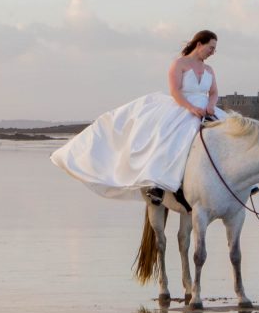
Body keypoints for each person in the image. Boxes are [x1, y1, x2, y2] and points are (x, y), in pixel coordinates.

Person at [51, 30, 226, 205]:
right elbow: (175, 91)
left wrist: (210, 106)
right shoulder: (179, 64)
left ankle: (237, 184)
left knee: (231, 137)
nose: (213, 52)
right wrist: (191, 108)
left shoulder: (209, 69)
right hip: (183, 107)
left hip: (207, 110)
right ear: (199, 44)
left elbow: (214, 92)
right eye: (211, 48)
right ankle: (159, 184)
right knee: (174, 139)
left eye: (214, 49)